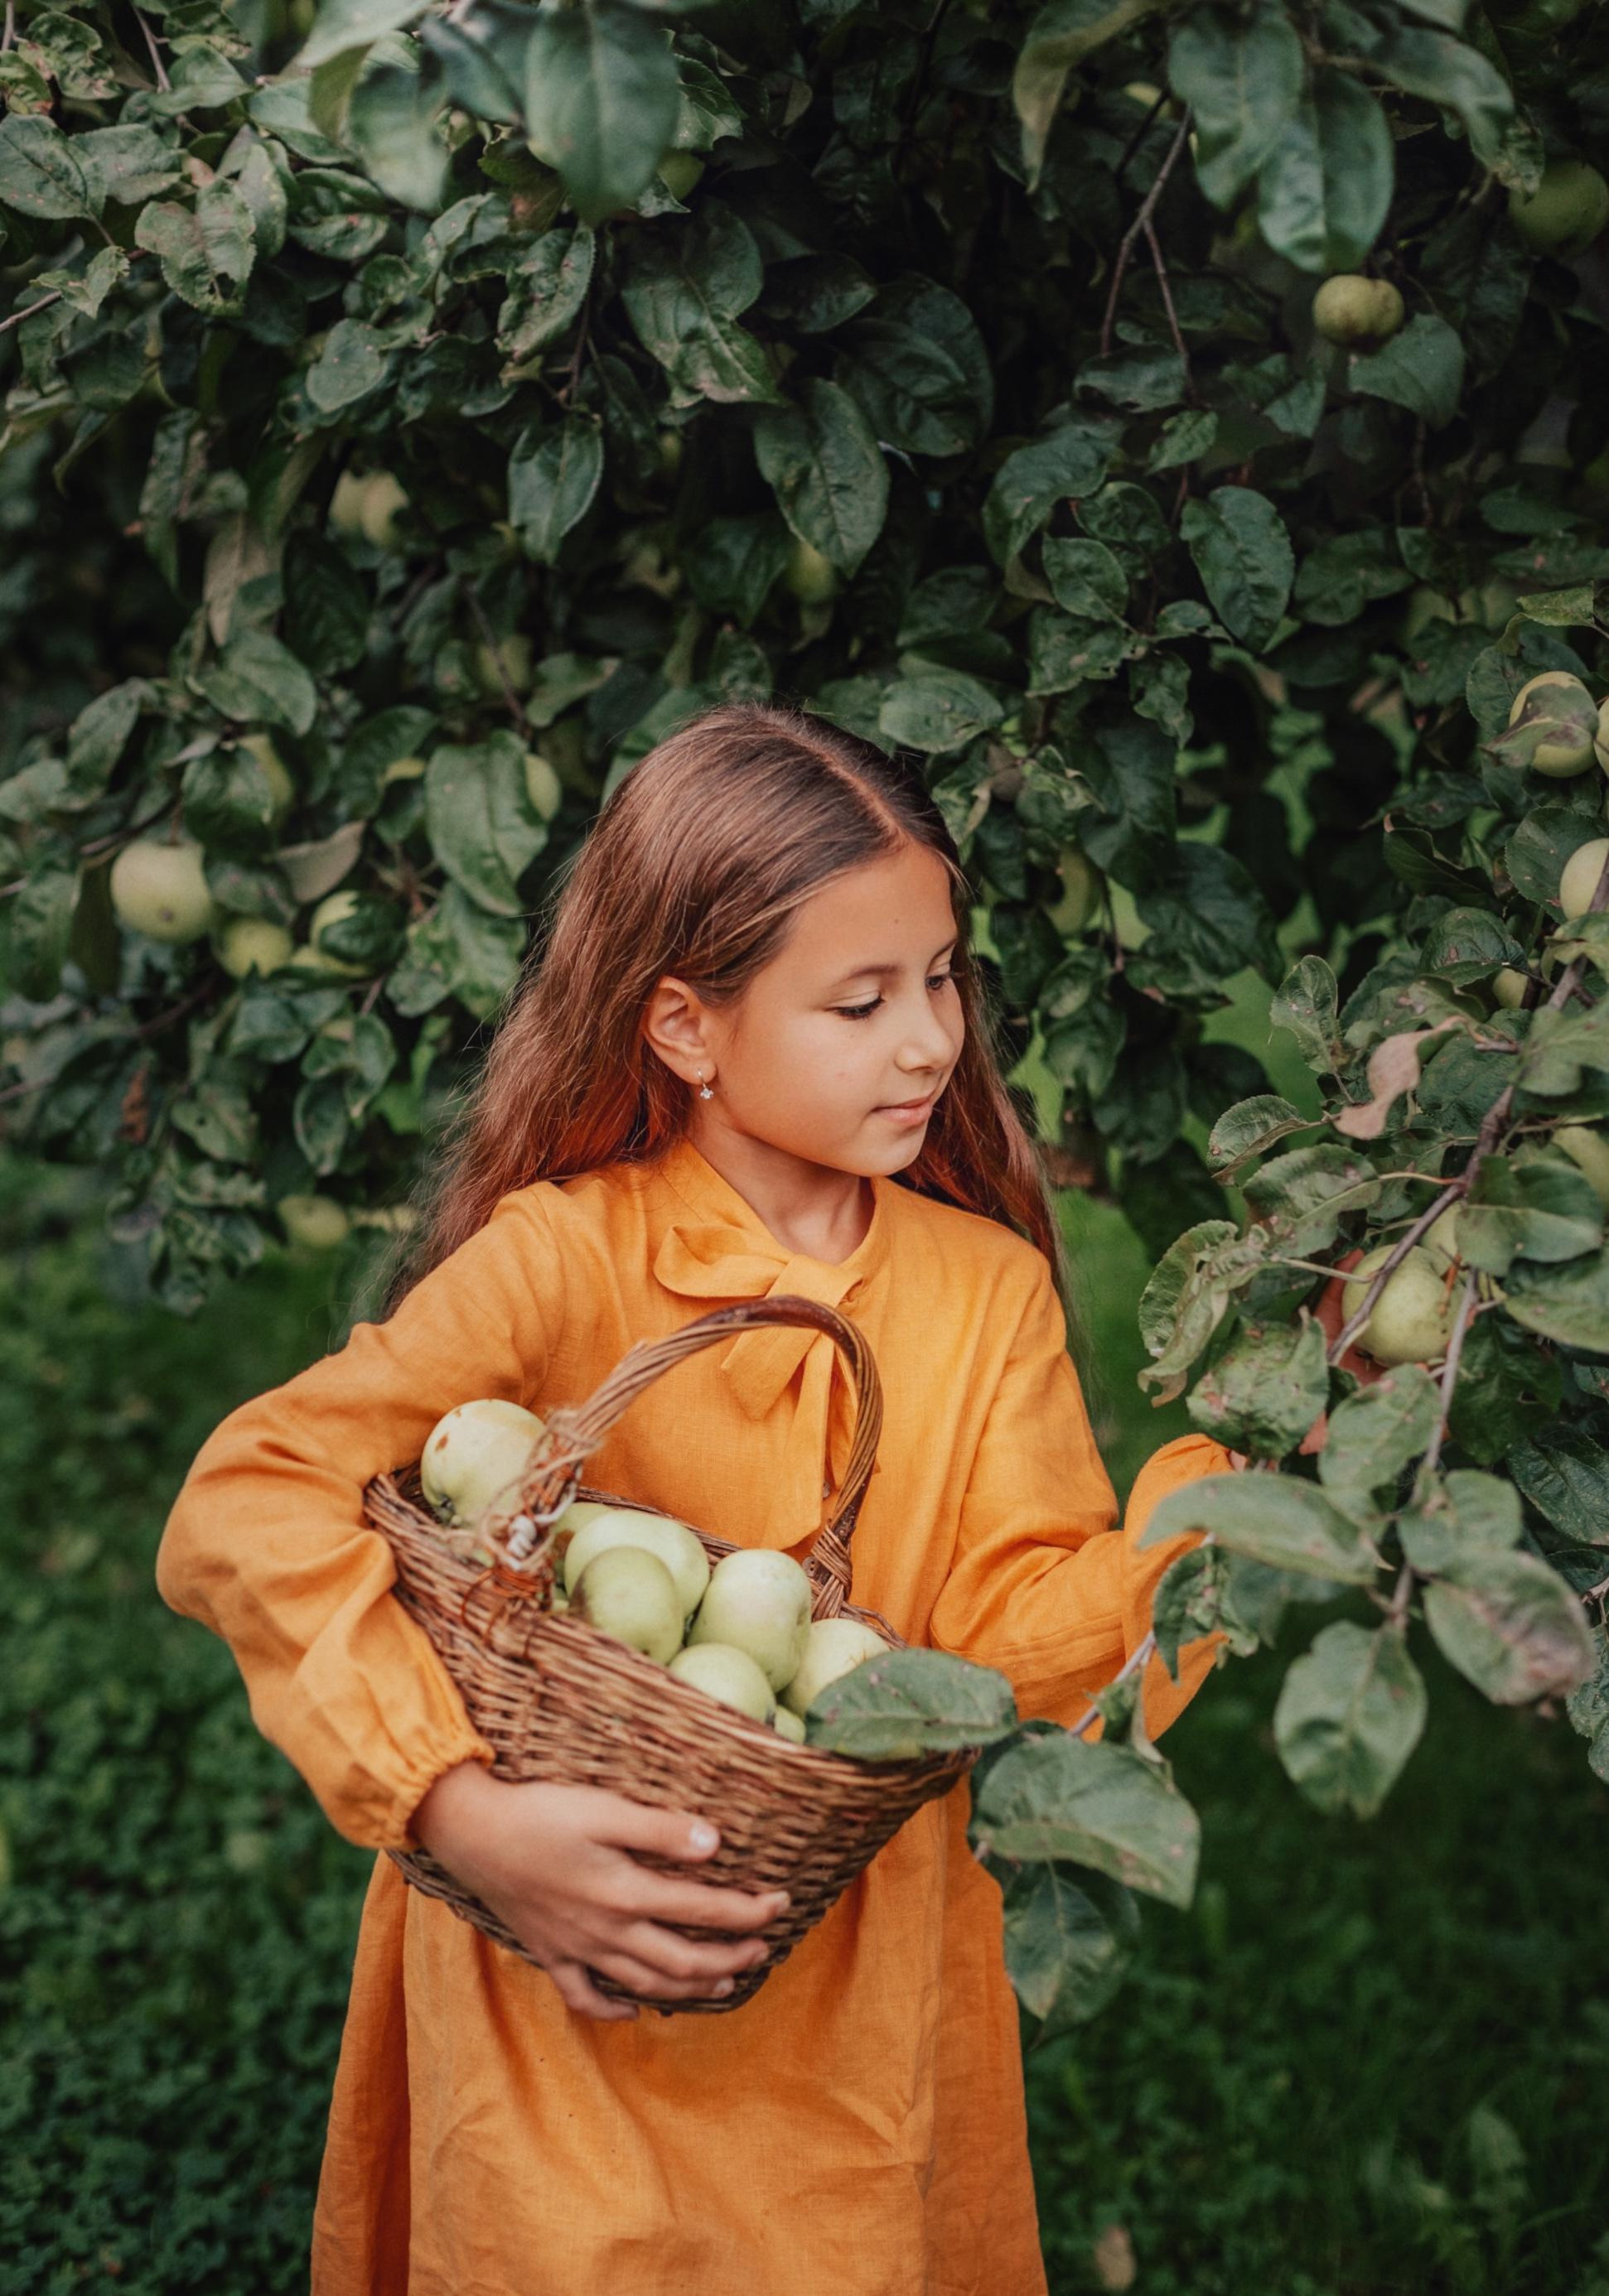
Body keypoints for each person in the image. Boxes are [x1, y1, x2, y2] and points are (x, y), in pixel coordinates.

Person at [156, 702, 1234, 2296]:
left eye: (941, 976)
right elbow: (251, 1496)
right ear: (683, 1027)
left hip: (847, 2005)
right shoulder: (566, 1258)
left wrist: (1229, 1502)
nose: (932, 1040)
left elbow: (1014, 1650)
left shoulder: (980, 1289)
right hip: (561, 1981)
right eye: (859, 1000)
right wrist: (459, 1808)